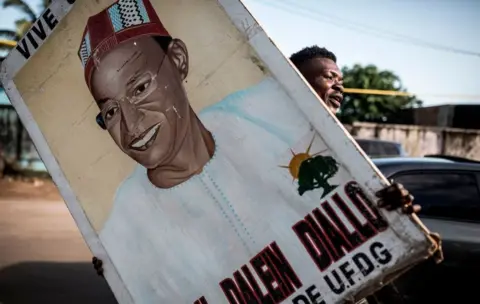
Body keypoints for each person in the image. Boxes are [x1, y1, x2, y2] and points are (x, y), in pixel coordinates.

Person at [84, 1, 433, 301]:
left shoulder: (272, 139)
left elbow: (352, 244)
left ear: (178, 60)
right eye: (111, 112)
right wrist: (123, 268)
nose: (131, 124)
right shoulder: (125, 223)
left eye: (141, 87)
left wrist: (392, 220)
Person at [289, 46, 443, 303]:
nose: (339, 87)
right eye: (329, 78)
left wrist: (390, 209)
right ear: (296, 80)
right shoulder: (262, 141)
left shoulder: (343, 149)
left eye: (341, 81)